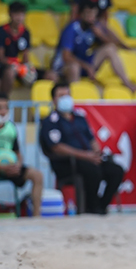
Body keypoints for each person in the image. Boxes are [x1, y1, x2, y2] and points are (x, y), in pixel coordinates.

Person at [39, 82, 125, 215]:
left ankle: (101, 206)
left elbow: (91, 139)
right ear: (54, 100)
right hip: (67, 163)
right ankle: (91, 207)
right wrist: (86, 156)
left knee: (116, 171)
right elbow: (57, 147)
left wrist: (96, 153)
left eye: (67, 95)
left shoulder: (79, 117)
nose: (65, 99)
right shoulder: (50, 121)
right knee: (92, 170)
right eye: (61, 96)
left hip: (89, 158)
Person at [0, 93, 43, 218]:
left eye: (6, 108)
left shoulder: (11, 127)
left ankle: (36, 216)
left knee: (38, 176)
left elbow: (18, 153)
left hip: (9, 166)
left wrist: (18, 165)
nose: (3, 112)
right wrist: (0, 166)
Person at [50, 1, 136, 90]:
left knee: (110, 48)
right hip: (64, 67)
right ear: (81, 14)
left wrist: (101, 35)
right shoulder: (71, 28)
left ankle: (128, 84)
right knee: (74, 67)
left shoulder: (93, 28)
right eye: (88, 13)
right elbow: (66, 57)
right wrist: (87, 67)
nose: (90, 17)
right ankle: (76, 93)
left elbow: (114, 43)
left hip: (84, 64)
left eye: (93, 14)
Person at [0, 1, 34, 95]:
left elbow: (25, 56)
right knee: (10, 71)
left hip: (17, 65)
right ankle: (3, 98)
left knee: (48, 74)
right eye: (16, 14)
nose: (19, 17)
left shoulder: (25, 32)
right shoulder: (0, 31)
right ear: (10, 14)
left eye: (22, 14)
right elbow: (0, 58)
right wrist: (16, 66)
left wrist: (28, 68)